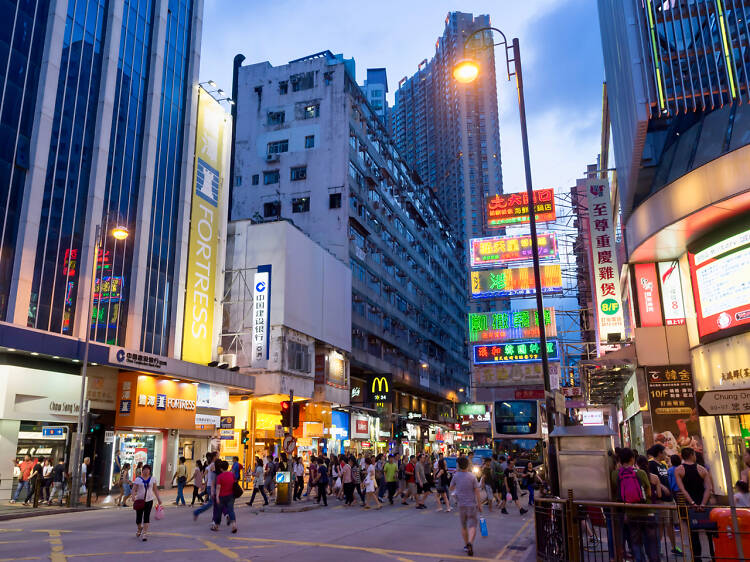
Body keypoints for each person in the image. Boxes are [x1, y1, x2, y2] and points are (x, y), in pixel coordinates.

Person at [612, 448, 657, 562]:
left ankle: (639, 560)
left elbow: (617, 490)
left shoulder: (616, 474)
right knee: (651, 541)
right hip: (647, 511)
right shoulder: (640, 473)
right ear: (633, 459)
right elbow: (649, 492)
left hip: (631, 513)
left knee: (635, 542)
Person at [675, 447, 714, 560]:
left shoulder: (679, 470)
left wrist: (692, 503)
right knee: (709, 533)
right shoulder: (702, 469)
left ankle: (697, 558)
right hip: (704, 504)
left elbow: (682, 489)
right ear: (693, 455)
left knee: (693, 534)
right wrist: (702, 504)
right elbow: (708, 488)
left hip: (690, 506)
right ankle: (713, 556)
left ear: (682, 456)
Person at [450, 455, 482, 557]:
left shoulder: (456, 476)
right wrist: (480, 504)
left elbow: (451, 488)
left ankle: (466, 545)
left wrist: (457, 489)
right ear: (468, 465)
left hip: (461, 504)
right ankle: (470, 543)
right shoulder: (472, 476)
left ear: (459, 465)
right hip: (471, 504)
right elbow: (477, 492)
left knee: (463, 526)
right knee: (472, 525)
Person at [132, 464, 162, 542]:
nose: (146, 471)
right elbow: (134, 489)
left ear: (150, 471)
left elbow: (155, 490)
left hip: (149, 501)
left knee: (146, 517)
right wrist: (133, 496)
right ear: (142, 471)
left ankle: (144, 533)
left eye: (148, 469)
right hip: (139, 500)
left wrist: (158, 499)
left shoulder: (153, 479)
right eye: (145, 469)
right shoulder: (138, 479)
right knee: (138, 518)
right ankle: (139, 528)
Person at [211, 460, 238, 533]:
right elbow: (234, 483)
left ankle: (216, 526)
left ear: (221, 468)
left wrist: (217, 497)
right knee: (231, 510)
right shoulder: (231, 474)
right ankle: (234, 525)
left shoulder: (220, 476)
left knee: (219, 512)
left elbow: (218, 488)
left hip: (222, 496)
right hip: (231, 495)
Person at [193, 452, 216, 520]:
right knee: (213, 503)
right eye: (217, 455)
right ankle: (197, 512)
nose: (218, 457)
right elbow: (206, 476)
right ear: (214, 457)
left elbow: (204, 476)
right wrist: (202, 484)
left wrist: (203, 484)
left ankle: (219, 518)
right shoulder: (212, 466)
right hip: (212, 486)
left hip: (210, 486)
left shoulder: (209, 466)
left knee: (217, 503)